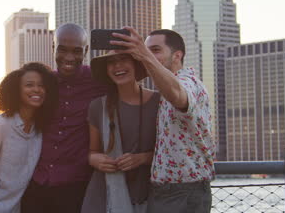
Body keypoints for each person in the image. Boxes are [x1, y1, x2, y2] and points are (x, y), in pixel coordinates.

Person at [111, 27, 216, 213]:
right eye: (146, 49)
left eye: (156, 50)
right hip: (166, 191)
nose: (148, 55)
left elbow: (178, 94)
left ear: (177, 56)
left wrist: (144, 55)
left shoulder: (188, 83)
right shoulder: (163, 91)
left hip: (183, 191)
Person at [17, 23, 107, 213]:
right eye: (62, 50)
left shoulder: (100, 80)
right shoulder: (43, 83)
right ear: (53, 48)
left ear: (86, 51)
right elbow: (13, 123)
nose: (69, 58)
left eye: (76, 51)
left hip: (76, 189)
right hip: (35, 186)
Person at [0, 62, 58, 213]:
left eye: (41, 85)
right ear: (16, 90)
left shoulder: (39, 130)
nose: (36, 89)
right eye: (29, 85)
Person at [82, 51, 160, 213]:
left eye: (123, 59)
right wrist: (96, 159)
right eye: (111, 62)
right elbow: (92, 152)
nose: (117, 66)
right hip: (103, 197)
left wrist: (142, 158)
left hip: (149, 196)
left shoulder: (159, 102)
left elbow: (170, 153)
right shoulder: (97, 106)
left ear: (136, 64)